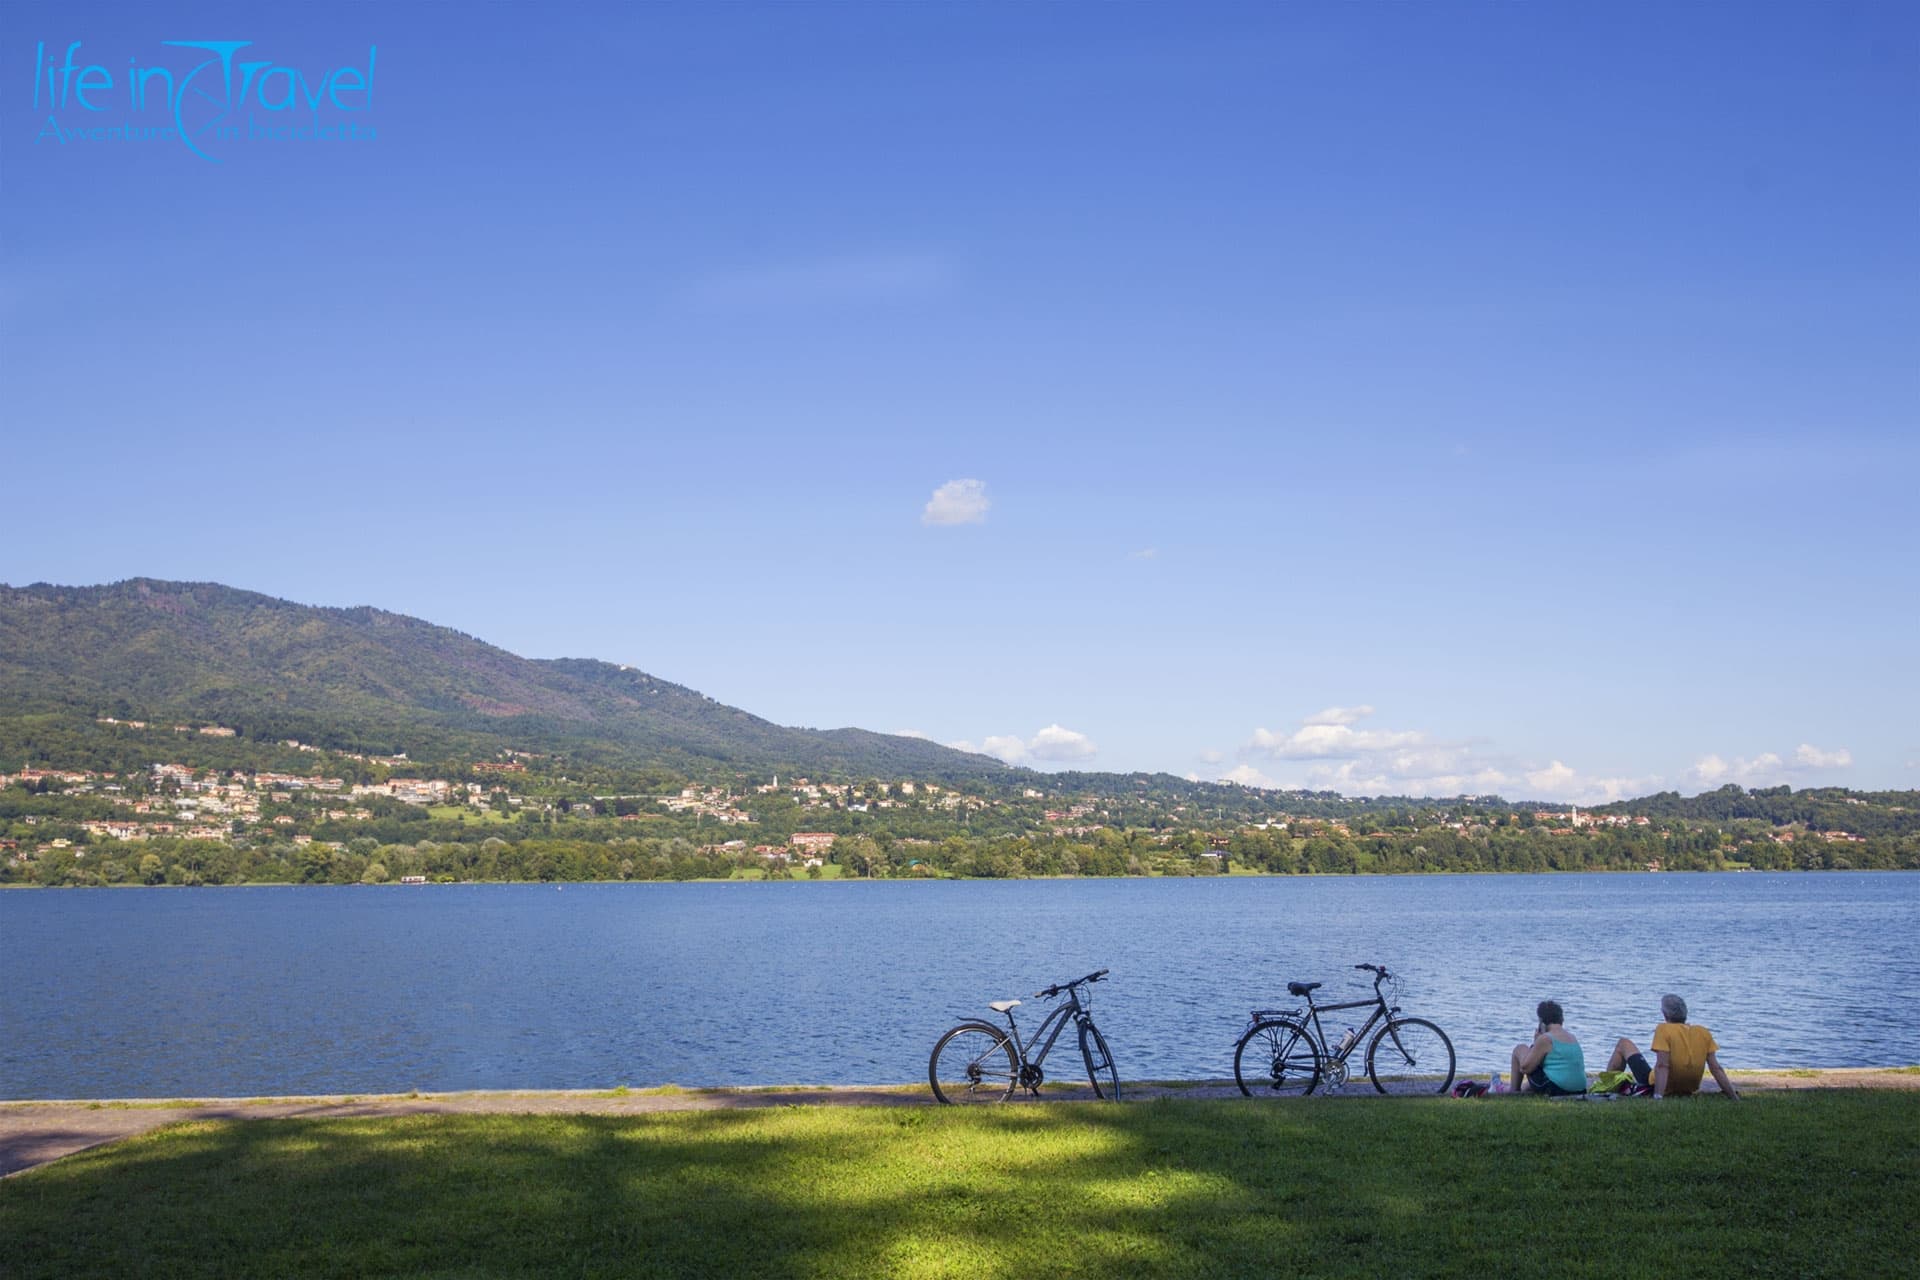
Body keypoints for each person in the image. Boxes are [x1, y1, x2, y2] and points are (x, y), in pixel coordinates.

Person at [1604, 993, 1741, 1100]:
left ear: (1665, 1014)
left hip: (1661, 1085)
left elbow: (1663, 1065)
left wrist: (1658, 1096)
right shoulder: (1703, 1032)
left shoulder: (1664, 1029)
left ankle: (1606, 1087)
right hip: (1689, 1087)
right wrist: (1733, 1096)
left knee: (1623, 1043)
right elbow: (1716, 1068)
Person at [1509, 999, 1587, 1096]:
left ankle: (1513, 1091)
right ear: (1561, 1020)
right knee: (1533, 1081)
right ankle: (1521, 1089)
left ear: (1541, 1022)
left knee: (1520, 1048)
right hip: (1580, 1089)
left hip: (1557, 1089)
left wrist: (1535, 1042)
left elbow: (1525, 1068)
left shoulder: (1546, 1038)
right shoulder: (1572, 1037)